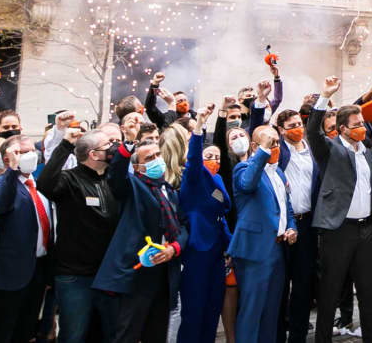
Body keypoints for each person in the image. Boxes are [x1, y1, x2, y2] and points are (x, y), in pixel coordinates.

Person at [310, 79, 372, 343]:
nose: (362, 128)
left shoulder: (369, 151)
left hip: (366, 229)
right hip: (338, 230)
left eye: (362, 123)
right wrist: (324, 96)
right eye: (356, 125)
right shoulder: (330, 149)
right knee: (330, 291)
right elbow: (313, 132)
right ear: (343, 129)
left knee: (369, 291)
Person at [94, 139, 187, 343]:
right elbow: (116, 177)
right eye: (149, 158)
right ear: (138, 167)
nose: (157, 160)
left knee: (157, 333)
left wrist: (174, 248)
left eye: (158, 155)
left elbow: (182, 226)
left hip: (164, 272)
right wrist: (127, 148)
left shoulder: (169, 191)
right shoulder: (133, 185)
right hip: (136, 275)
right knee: (127, 334)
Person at [39, 121, 121, 343]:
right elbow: (45, 184)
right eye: (108, 145)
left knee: (107, 334)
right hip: (75, 276)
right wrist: (66, 144)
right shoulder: (70, 179)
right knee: (74, 335)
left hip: (107, 274)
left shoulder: (112, 178)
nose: (114, 148)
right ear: (93, 154)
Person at [0, 134, 52, 343]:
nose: (29, 155)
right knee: (3, 332)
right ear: (6, 158)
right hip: (9, 275)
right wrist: (11, 170)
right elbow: (1, 206)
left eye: (31, 151)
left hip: (37, 270)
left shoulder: (39, 186)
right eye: (21, 152)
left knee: (26, 331)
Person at [230, 126, 297, 343]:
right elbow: (247, 184)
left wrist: (292, 228)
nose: (275, 147)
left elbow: (287, 207)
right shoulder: (244, 168)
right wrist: (263, 151)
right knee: (252, 312)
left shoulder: (278, 172)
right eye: (270, 142)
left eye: (276, 142)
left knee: (271, 312)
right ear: (255, 146)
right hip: (255, 252)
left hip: (277, 249)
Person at [179, 123, 232, 343]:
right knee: (194, 310)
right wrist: (199, 129)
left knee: (213, 307)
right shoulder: (192, 178)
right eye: (209, 156)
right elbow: (192, 160)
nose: (214, 161)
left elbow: (221, 215)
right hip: (197, 250)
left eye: (218, 158)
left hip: (217, 251)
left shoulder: (218, 179)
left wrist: (230, 245)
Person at [274, 105, 320, 343]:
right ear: (281, 130)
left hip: (308, 223)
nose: (297, 129)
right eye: (291, 126)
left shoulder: (311, 150)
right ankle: (278, 334)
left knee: (303, 283)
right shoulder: (280, 151)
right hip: (284, 225)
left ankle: (298, 336)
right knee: (281, 284)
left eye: (299, 124)